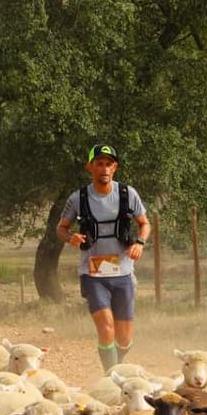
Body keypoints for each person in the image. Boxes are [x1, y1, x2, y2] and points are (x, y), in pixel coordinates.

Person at [57, 144, 150, 371]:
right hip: (92, 273)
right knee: (106, 328)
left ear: (115, 168)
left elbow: (144, 224)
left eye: (109, 164)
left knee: (124, 338)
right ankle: (110, 377)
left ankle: (117, 365)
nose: (104, 169)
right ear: (90, 167)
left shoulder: (129, 194)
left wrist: (140, 243)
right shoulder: (77, 198)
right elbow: (61, 228)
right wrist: (70, 238)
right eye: (99, 164)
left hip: (123, 272)